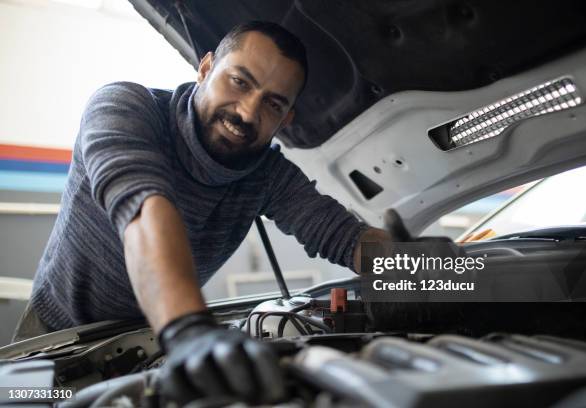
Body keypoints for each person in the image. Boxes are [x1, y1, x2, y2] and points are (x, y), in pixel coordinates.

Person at [15, 21, 389, 404]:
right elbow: (144, 209)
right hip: (53, 343)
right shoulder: (125, 107)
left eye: (273, 104)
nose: (246, 112)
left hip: (155, 344)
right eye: (240, 82)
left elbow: (345, 237)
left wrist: (429, 270)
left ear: (286, 119)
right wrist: (189, 329)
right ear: (207, 68)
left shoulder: (268, 174)